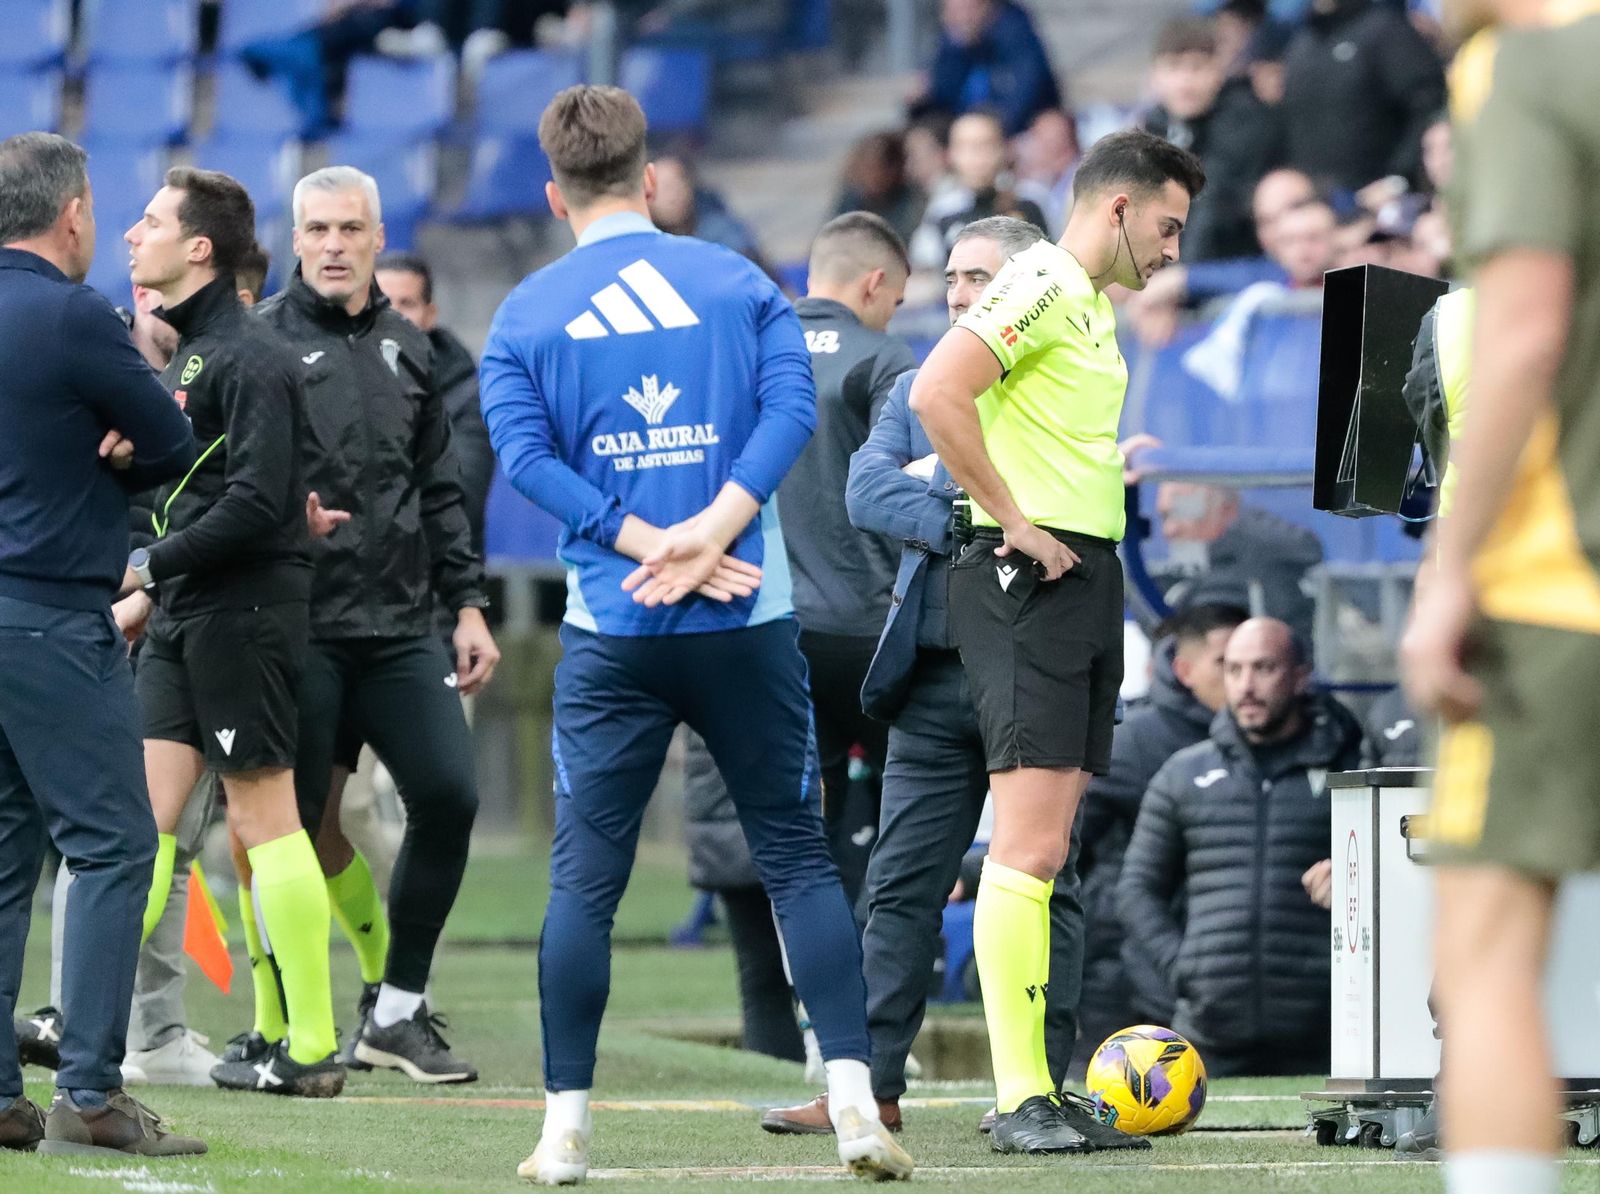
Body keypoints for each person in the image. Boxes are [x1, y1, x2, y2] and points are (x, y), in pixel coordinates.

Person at [478, 84, 912, 1184]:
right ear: (654, 180)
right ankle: (858, 1106)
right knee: (799, 858)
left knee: (585, 882)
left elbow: (526, 462)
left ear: (554, 191)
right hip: (743, 611)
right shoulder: (735, 281)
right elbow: (789, 412)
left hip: (613, 626)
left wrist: (639, 541)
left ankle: (562, 1130)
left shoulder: (525, 314)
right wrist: (711, 530)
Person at [763, 216, 1141, 1154]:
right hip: (935, 662)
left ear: (1026, 283)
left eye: (983, 276)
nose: (965, 294)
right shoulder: (927, 375)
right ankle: (868, 1088)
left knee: (1051, 874)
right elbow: (866, 492)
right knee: (900, 882)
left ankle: (1042, 1089)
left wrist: (966, 483)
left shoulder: (1052, 356)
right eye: (955, 276)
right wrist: (981, 513)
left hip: (1032, 648)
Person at [907, 128, 1205, 1154]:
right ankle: (1020, 1093)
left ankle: (1037, 1087)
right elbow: (934, 392)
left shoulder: (1083, 302)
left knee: (1048, 849)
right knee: (1026, 849)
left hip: (1079, 576)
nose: (1171, 251)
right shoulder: (1038, 277)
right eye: (1165, 227)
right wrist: (1016, 517)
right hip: (1025, 578)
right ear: (1117, 208)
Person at [1399, 4, 1600, 1192]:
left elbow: (1522, 334)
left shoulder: (1522, 67)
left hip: (1559, 589)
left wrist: (1451, 573)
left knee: (1480, 960)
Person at [251, 165, 498, 1086]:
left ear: (377, 235)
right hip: (296, 626)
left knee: (451, 795)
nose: (334, 245)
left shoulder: (411, 348)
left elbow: (440, 492)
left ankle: (396, 1010)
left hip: (400, 626)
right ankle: (282, 1026)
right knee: (286, 831)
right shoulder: (259, 345)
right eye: (317, 229)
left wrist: (468, 604)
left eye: (352, 229)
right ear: (296, 236)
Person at [109, 168, 343, 1098]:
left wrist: (148, 569)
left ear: (197, 248)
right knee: (141, 821)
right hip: (187, 612)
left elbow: (256, 503)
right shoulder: (193, 354)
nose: (133, 235)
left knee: (261, 815)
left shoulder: (250, 355)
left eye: (152, 221)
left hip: (243, 612)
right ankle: (91, 1019)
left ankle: (313, 1045)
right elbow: (201, 487)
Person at [0, 132, 201, 1157]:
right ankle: (88, 1091)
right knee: (116, 843)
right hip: (48, 611)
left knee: (2, 854)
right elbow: (171, 445)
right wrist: (121, 444)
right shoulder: (76, 316)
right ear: (72, 212)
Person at [1118, 618, 1362, 1076]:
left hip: (1326, 1034)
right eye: (1234, 670)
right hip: (1209, 1035)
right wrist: (1184, 968)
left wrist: (1357, 877)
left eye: (1264, 668)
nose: (1246, 686)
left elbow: (1398, 879)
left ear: (1299, 674)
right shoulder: (1182, 774)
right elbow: (1136, 890)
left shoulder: (1350, 767)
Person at [781, 213, 918, 910]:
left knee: (803, 827)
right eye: (893, 300)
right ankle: (887, 976)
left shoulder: (754, 349)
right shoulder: (884, 359)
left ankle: (808, 993)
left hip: (774, 628)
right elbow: (914, 488)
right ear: (874, 283)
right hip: (870, 628)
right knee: (912, 808)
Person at [1075, 602, 1247, 1061]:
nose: (1241, 677)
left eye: (1253, 662)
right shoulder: (1135, 741)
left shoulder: (1278, 736)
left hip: (1228, 971)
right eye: (1226, 663)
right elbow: (1070, 840)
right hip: (1125, 976)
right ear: (1184, 669)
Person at [1141, 17, 1284, 262]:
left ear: (1218, 70)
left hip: (1241, 262)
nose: (1186, 82)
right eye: (1174, 67)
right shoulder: (1155, 125)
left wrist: (1181, 278)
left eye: (1197, 67)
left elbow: (1213, 204)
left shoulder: (1245, 119)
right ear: (1155, 75)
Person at [1280, 0, 1446, 193]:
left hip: (1385, 205)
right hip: (1319, 207)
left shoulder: (1386, 30)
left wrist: (1399, 179)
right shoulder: (1299, 47)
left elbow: (1430, 106)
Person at [1154, 482, 1325, 644]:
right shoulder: (1177, 577)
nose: (1169, 529)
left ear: (1226, 510)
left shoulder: (1256, 567)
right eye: (1165, 516)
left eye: (1183, 511)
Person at [908, 111, 1048, 272]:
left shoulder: (1031, 200)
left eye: (985, 145)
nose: (975, 156)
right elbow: (924, 270)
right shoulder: (942, 212)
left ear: (1004, 149)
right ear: (951, 154)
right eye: (964, 146)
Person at [916, 0, 1063, 137]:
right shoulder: (952, 41)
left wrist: (997, 132)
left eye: (968, 9)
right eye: (952, 11)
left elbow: (1026, 91)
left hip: (1015, 132)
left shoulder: (1015, 34)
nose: (961, 17)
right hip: (966, 132)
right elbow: (944, 93)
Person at [832, 132, 924, 246]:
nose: (867, 178)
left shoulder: (912, 200)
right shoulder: (852, 198)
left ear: (893, 169)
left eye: (873, 170)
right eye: (863, 171)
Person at [1013, 108, 1080, 238]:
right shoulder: (1025, 188)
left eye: (1058, 138)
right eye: (1041, 138)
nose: (1050, 145)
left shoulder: (1082, 181)